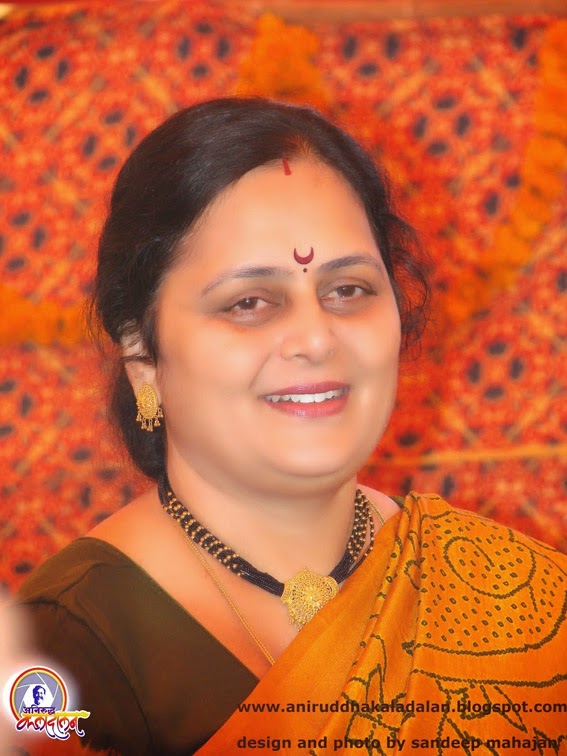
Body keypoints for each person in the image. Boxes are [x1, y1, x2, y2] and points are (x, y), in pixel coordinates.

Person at [16, 98, 567, 755]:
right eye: (249, 302)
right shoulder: (62, 651)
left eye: (347, 290)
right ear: (142, 355)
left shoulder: (517, 600)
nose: (316, 338)